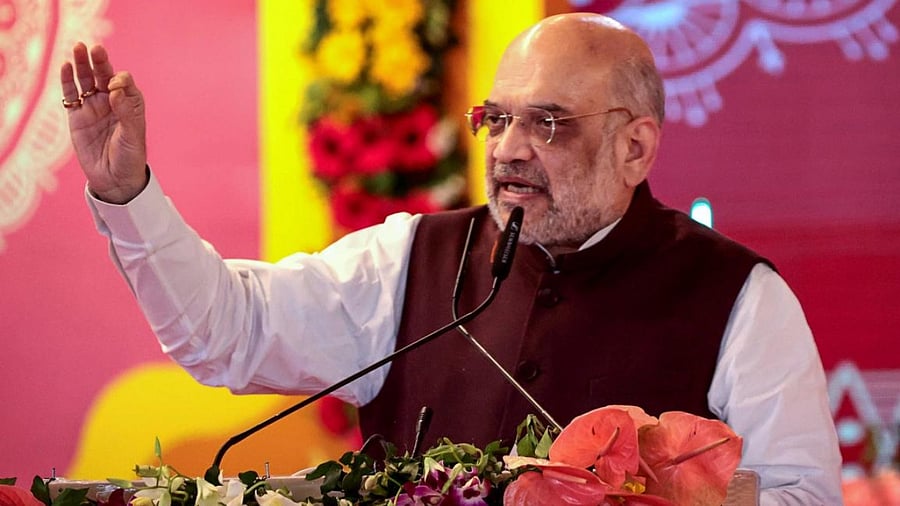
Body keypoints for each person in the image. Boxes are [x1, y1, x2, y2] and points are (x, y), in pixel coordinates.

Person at [61, 12, 843, 504]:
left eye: (547, 123)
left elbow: (803, 497)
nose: (507, 150)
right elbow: (227, 334)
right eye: (496, 119)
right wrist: (128, 195)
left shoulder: (740, 297)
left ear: (634, 145)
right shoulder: (413, 259)